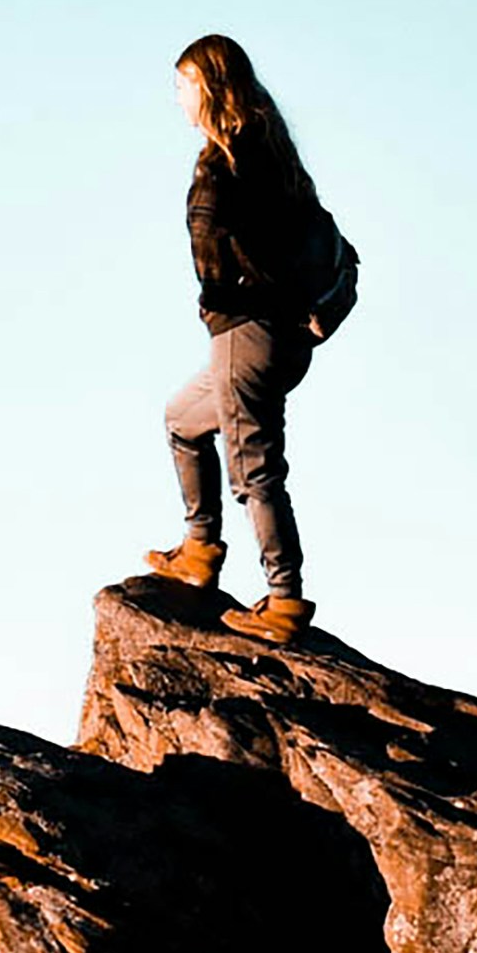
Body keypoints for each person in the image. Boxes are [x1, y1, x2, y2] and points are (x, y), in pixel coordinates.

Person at [143, 34, 346, 645]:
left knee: (255, 472)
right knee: (181, 420)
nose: (176, 96)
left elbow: (205, 239)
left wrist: (216, 301)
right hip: (289, 338)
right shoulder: (276, 154)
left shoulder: (219, 163)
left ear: (209, 86)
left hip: (245, 337)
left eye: (182, 83)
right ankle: (200, 548)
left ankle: (284, 601)